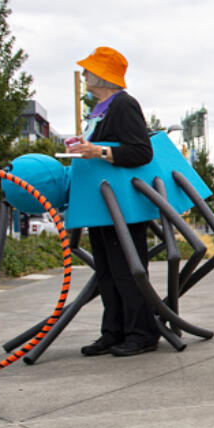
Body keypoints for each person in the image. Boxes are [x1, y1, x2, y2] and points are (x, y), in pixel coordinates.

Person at [71, 47, 162, 358]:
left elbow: (141, 151)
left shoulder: (123, 105)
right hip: (100, 203)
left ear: (102, 74)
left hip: (119, 203)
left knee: (127, 268)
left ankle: (141, 332)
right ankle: (114, 330)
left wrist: (99, 152)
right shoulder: (100, 110)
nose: (84, 75)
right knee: (108, 270)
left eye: (88, 69)